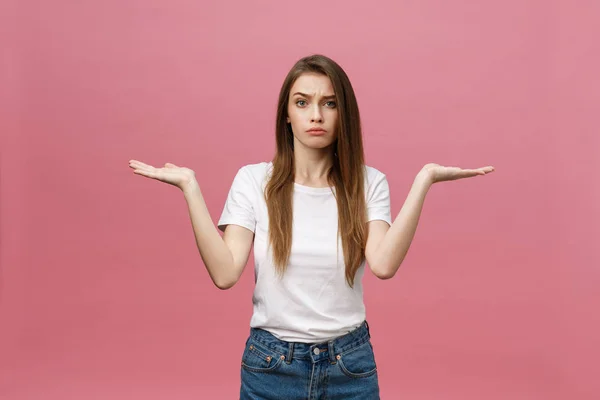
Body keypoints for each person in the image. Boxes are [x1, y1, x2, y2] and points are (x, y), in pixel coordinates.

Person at [128, 54, 494, 399]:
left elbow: (383, 265)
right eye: (302, 102)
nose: (315, 115)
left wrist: (424, 180)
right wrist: (190, 187)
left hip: (348, 365)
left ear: (343, 113)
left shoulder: (369, 183)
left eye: (329, 103)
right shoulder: (254, 181)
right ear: (286, 115)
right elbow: (224, 273)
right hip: (271, 366)